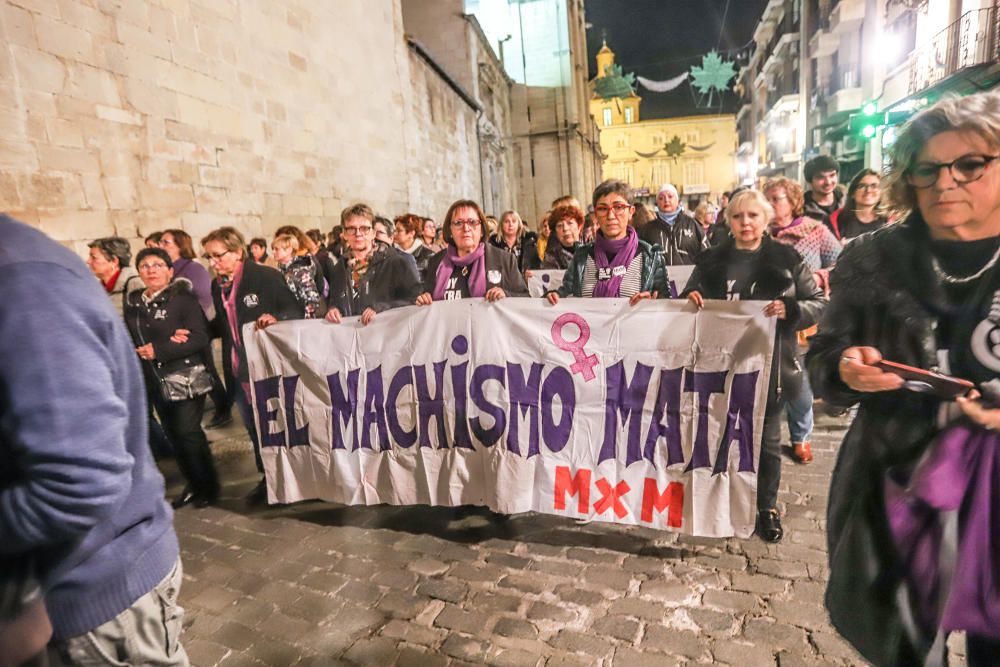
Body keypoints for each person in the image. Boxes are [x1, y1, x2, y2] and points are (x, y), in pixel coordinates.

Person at [807, 91, 1000, 667]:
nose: (946, 183)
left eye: (970, 165)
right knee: (909, 651)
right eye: (927, 169)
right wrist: (844, 368)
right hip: (900, 488)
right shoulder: (871, 258)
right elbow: (824, 355)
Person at [0, 215, 186, 664]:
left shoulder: (23, 284)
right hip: (49, 598)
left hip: (96, 599)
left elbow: (82, 484)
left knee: (187, 435)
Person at [684, 190, 827, 542]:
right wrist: (691, 298)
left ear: (766, 220)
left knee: (766, 442)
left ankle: (767, 507)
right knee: (715, 435)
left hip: (771, 366)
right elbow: (689, 296)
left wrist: (791, 310)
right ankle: (718, 499)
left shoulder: (786, 257)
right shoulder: (711, 260)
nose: (745, 223)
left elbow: (818, 303)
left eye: (753, 216)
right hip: (718, 366)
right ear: (728, 221)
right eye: (738, 217)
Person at [202, 226, 303, 505]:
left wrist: (276, 319)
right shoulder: (217, 285)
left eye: (217, 256)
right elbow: (222, 325)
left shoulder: (265, 276)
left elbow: (294, 311)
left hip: (270, 369)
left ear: (237, 252)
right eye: (208, 257)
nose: (212, 263)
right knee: (253, 428)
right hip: (239, 370)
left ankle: (294, 477)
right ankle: (267, 478)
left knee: (279, 425)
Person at [124, 248, 220, 509]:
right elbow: (131, 336)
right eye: (145, 265)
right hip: (154, 379)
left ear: (169, 271)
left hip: (185, 377)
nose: (151, 270)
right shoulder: (134, 303)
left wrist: (161, 348)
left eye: (158, 265)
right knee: (174, 436)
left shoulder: (183, 300)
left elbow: (201, 337)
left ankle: (208, 486)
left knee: (188, 433)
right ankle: (193, 484)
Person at [763, 177, 842, 464]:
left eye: (777, 198)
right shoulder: (759, 234)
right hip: (764, 318)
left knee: (798, 381)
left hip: (799, 317)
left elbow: (841, 262)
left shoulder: (814, 231)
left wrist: (820, 276)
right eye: (767, 199)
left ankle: (800, 437)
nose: (771, 204)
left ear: (793, 201)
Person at [547, 179, 669, 304]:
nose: (610, 216)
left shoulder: (650, 256)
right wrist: (554, 296)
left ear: (631, 212)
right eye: (603, 209)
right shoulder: (582, 256)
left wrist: (652, 303)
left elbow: (665, 301)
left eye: (618, 207)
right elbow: (566, 291)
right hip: (590, 323)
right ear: (596, 214)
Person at [159, 228, 233, 429]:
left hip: (195, 328)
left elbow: (205, 299)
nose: (160, 246)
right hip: (177, 330)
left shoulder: (192, 269)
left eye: (166, 242)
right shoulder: (168, 269)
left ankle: (223, 407)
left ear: (180, 245)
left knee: (207, 368)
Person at [416, 199, 529, 304]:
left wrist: (506, 295)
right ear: (450, 230)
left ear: (481, 230)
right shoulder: (436, 261)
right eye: (458, 223)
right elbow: (428, 297)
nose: (466, 228)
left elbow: (525, 298)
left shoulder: (504, 259)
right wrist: (424, 299)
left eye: (472, 222)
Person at [326, 203, 421, 324]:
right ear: (344, 234)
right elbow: (335, 301)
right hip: (352, 337)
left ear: (373, 233)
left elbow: (415, 300)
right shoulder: (340, 267)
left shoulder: (396, 261)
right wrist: (333, 310)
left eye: (364, 228)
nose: (358, 233)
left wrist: (382, 307)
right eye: (351, 228)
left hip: (386, 335)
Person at [640, 183, 703, 265]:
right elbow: (641, 259)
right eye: (661, 198)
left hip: (689, 277)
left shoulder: (692, 225)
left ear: (677, 201)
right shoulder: (648, 229)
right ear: (657, 203)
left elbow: (706, 254)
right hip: (659, 277)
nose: (666, 200)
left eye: (670, 196)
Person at [272, 233, 327, 319]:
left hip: (300, 322)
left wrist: (305, 321)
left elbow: (312, 298)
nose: (273, 252)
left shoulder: (300, 270)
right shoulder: (281, 271)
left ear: (289, 250)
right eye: (273, 249)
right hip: (286, 318)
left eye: (276, 249)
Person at [828, 169, 890, 243]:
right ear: (853, 193)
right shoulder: (837, 220)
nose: (868, 190)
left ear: (881, 192)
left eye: (874, 186)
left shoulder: (890, 220)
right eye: (862, 186)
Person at [86, 237, 142, 315]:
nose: (88, 261)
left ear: (114, 261)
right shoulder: (97, 289)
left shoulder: (135, 285)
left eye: (94, 258)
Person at [803, 154, 845, 228]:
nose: (828, 182)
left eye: (832, 175)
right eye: (820, 177)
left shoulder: (848, 201)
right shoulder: (801, 209)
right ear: (809, 181)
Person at [540, 204, 585, 270]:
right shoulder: (551, 258)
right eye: (560, 225)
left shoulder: (594, 250)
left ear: (579, 227)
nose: (565, 229)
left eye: (570, 223)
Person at [393, 213, 436, 281]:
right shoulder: (391, 253)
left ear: (411, 233)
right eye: (395, 230)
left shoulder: (428, 256)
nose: (394, 234)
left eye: (399, 231)